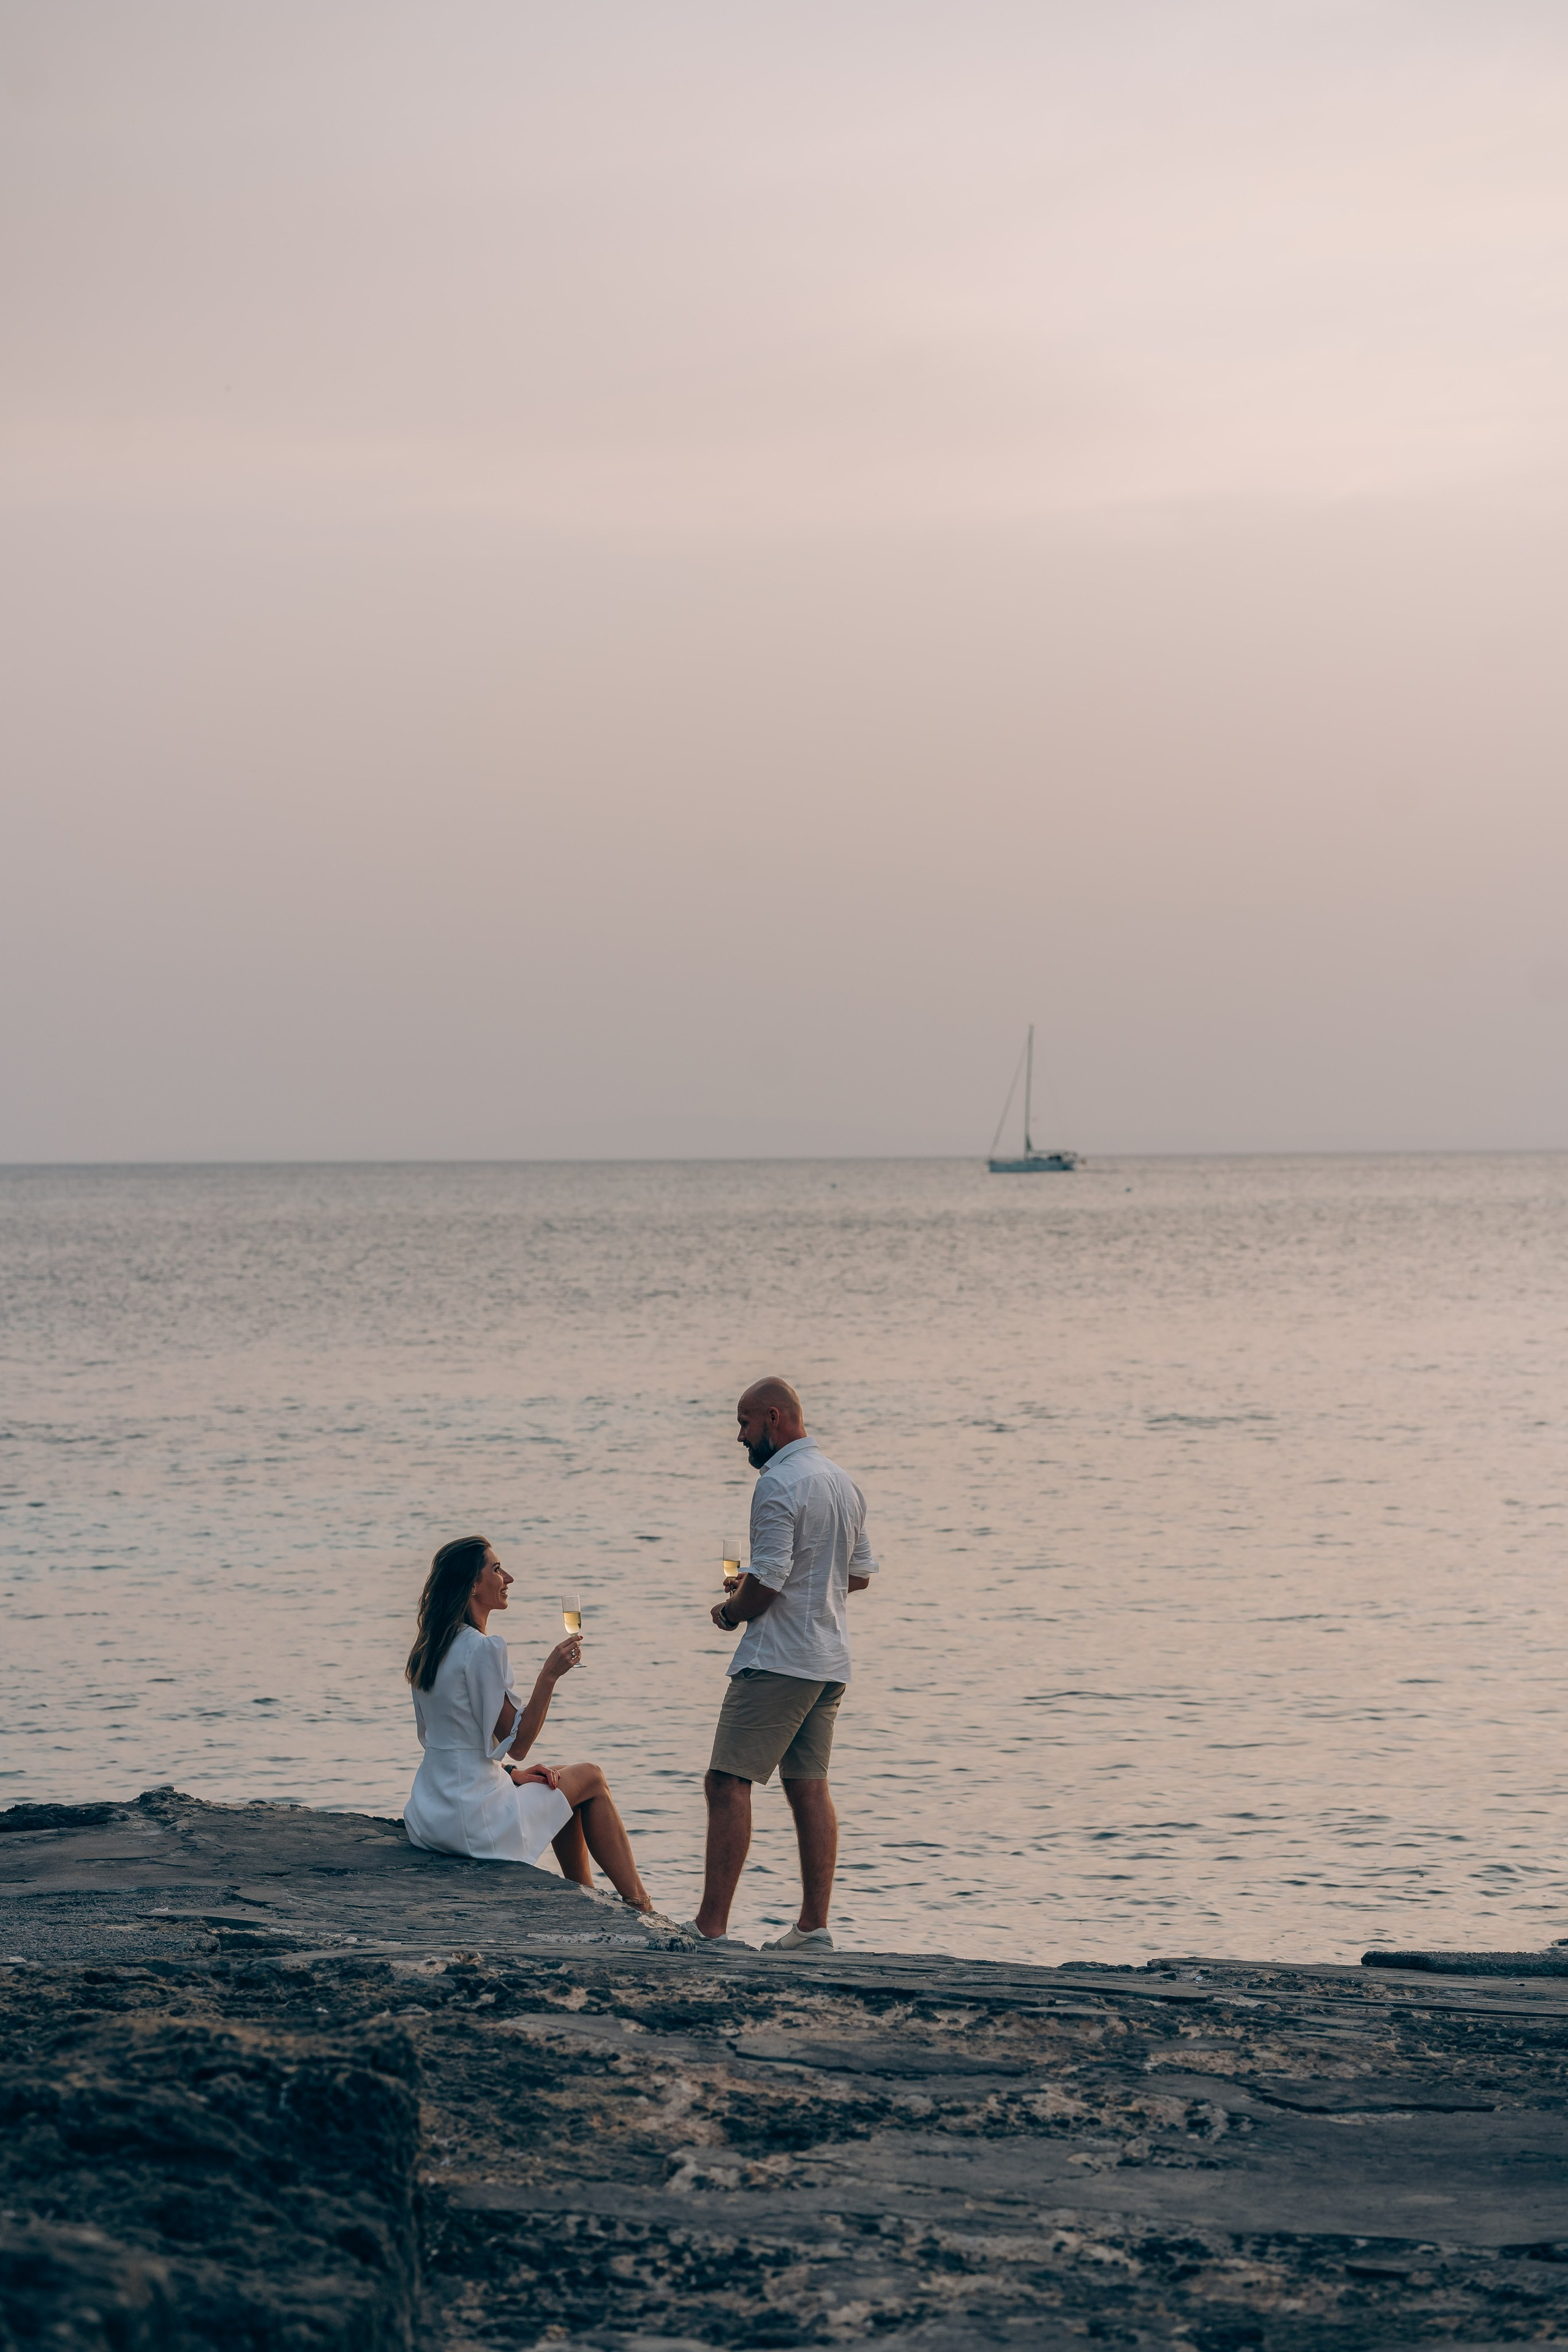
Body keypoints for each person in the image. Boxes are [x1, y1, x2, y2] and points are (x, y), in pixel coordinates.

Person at [685, 1378, 877, 1953]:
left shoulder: (778, 1484)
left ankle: (710, 1930)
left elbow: (766, 1583)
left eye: (745, 1424)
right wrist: (769, 1583)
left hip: (779, 1659)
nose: (740, 1437)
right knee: (808, 1787)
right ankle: (814, 1928)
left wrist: (729, 1609)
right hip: (828, 1659)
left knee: (726, 1783)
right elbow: (857, 1573)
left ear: (775, 1417)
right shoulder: (842, 1481)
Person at [403, 1534, 652, 1912]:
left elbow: (453, 1738)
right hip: (473, 1822)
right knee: (592, 1778)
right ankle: (641, 1905)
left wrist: (508, 1774)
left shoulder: (429, 1647)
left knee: (557, 1778)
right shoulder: (483, 1648)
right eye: (498, 1569)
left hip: (430, 1814)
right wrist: (549, 1677)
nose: (509, 1579)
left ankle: (584, 1895)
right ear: (473, 1585)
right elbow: (517, 1742)